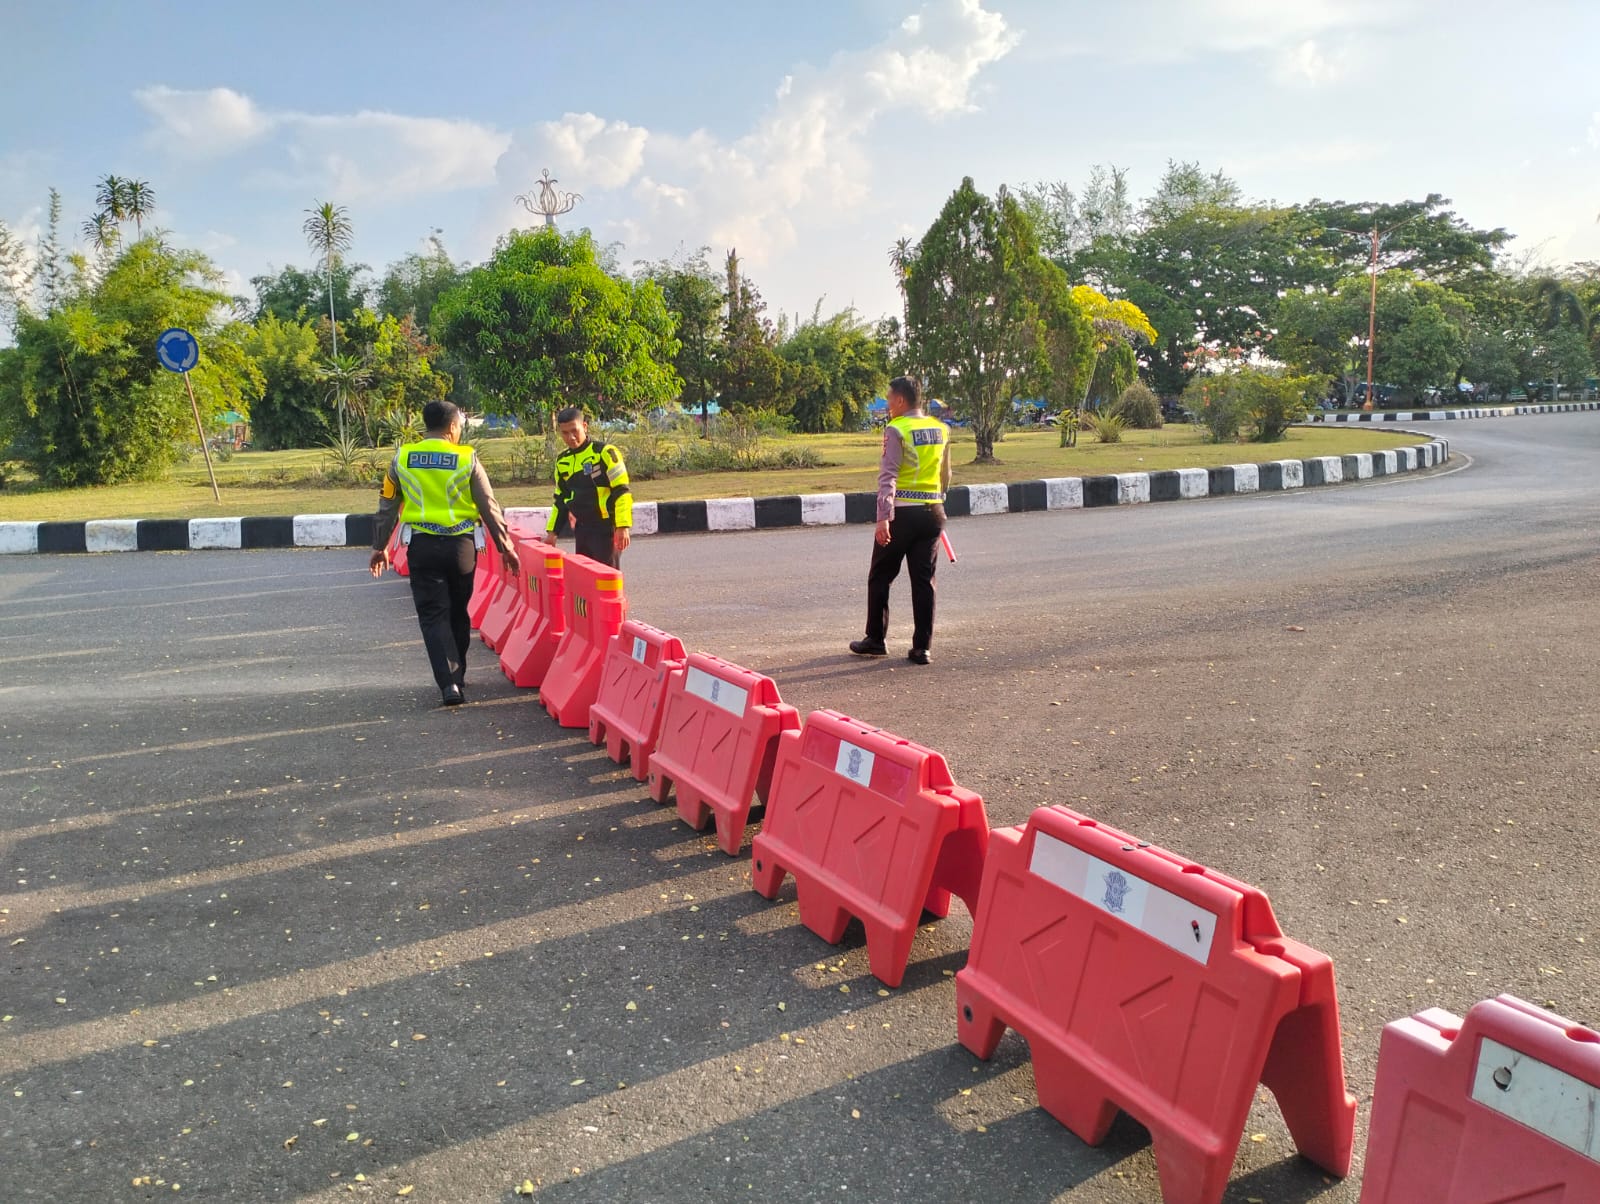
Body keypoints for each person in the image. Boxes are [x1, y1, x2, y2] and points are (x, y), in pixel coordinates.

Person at [370, 400, 520, 706]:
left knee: (432, 614)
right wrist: (506, 547)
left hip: (422, 547)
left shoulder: (403, 457)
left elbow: (387, 507)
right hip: (461, 548)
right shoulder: (467, 458)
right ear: (452, 427)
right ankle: (458, 674)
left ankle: (448, 684)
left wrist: (380, 547)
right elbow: (488, 506)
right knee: (457, 611)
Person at [850, 375, 951, 665]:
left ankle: (876, 639)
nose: (887, 403)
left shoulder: (897, 429)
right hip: (933, 511)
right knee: (923, 581)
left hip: (902, 513)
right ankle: (922, 648)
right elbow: (946, 474)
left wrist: (883, 518)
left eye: (889, 398)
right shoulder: (940, 428)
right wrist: (939, 500)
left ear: (901, 400)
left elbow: (888, 476)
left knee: (881, 576)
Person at [543, 406, 632, 567]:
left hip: (606, 529)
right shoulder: (562, 461)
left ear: (584, 426)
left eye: (574, 431)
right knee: (586, 579)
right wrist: (552, 533)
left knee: (606, 579)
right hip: (582, 529)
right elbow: (561, 500)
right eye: (565, 433)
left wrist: (623, 526)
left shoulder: (605, 453)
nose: (571, 437)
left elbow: (622, 492)